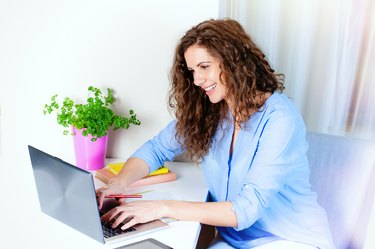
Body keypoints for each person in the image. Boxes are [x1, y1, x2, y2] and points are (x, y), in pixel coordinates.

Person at [97, 18, 335, 249]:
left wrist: (161, 207)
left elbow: (246, 209)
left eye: (204, 67)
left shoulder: (280, 119)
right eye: (192, 70)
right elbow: (156, 148)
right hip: (234, 240)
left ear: (233, 61)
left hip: (287, 239)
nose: (197, 79)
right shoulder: (210, 112)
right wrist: (119, 182)